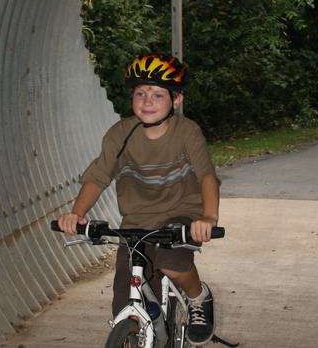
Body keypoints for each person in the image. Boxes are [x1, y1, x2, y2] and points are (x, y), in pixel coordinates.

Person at [57, 53, 220, 346]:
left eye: (158, 95)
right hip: (135, 222)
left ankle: (198, 297)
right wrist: (76, 213)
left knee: (170, 263)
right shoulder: (120, 134)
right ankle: (143, 330)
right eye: (140, 93)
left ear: (177, 100)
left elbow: (207, 176)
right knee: (124, 302)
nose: (147, 101)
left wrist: (208, 218)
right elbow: (98, 177)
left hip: (179, 216)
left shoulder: (187, 132)